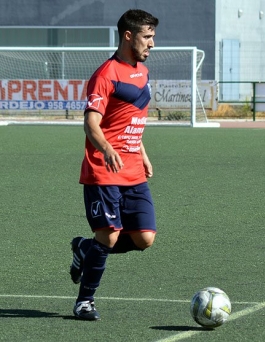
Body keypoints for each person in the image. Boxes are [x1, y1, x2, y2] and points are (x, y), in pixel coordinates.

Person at [69, 9, 159, 321]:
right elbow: (90, 124)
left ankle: (85, 249)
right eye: (147, 37)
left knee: (144, 238)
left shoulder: (142, 72)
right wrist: (107, 148)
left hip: (132, 168)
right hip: (103, 168)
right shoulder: (106, 74)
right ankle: (84, 302)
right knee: (108, 236)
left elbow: (129, 120)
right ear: (128, 36)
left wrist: (142, 151)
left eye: (153, 37)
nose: (152, 44)